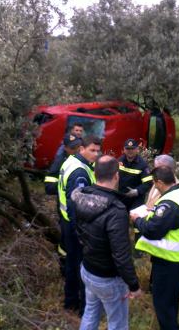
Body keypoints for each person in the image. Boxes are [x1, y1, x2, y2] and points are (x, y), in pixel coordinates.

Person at [71, 155, 142, 330]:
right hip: (108, 279)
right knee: (118, 324)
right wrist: (134, 285)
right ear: (116, 176)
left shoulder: (80, 197)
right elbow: (121, 255)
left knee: (90, 312)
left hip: (87, 269)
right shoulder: (116, 211)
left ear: (95, 174)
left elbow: (79, 231)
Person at [130, 166, 179, 330]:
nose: (154, 186)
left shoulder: (169, 204)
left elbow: (152, 231)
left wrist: (137, 219)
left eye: (154, 183)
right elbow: (172, 222)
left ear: (159, 182)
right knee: (171, 300)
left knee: (163, 306)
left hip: (168, 261)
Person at [58, 135, 101, 314]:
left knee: (71, 263)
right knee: (81, 268)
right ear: (81, 149)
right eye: (92, 150)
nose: (96, 154)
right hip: (76, 227)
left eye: (98, 150)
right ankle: (84, 309)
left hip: (68, 224)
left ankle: (70, 302)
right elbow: (75, 205)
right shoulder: (80, 172)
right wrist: (81, 233)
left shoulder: (71, 161)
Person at [44, 134, 82, 263]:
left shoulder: (82, 159)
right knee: (66, 242)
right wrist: (65, 184)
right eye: (73, 147)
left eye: (78, 145)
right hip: (66, 211)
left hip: (79, 209)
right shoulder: (60, 161)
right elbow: (49, 186)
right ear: (65, 148)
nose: (77, 149)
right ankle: (64, 264)